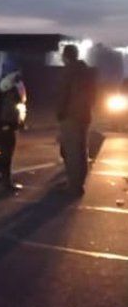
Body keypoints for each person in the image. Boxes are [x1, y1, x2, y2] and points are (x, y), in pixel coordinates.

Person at [56, 44, 97, 196]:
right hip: (84, 116)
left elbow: (63, 95)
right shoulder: (86, 72)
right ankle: (78, 183)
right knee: (81, 150)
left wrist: (60, 113)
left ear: (66, 56)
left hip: (71, 116)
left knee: (72, 152)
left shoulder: (68, 72)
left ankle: (73, 186)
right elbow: (93, 95)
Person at [0, 70, 24, 191]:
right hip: (4, 126)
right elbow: (12, 108)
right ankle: (4, 180)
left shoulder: (1, 87)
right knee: (6, 153)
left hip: (0, 125)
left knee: (1, 152)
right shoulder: (7, 89)